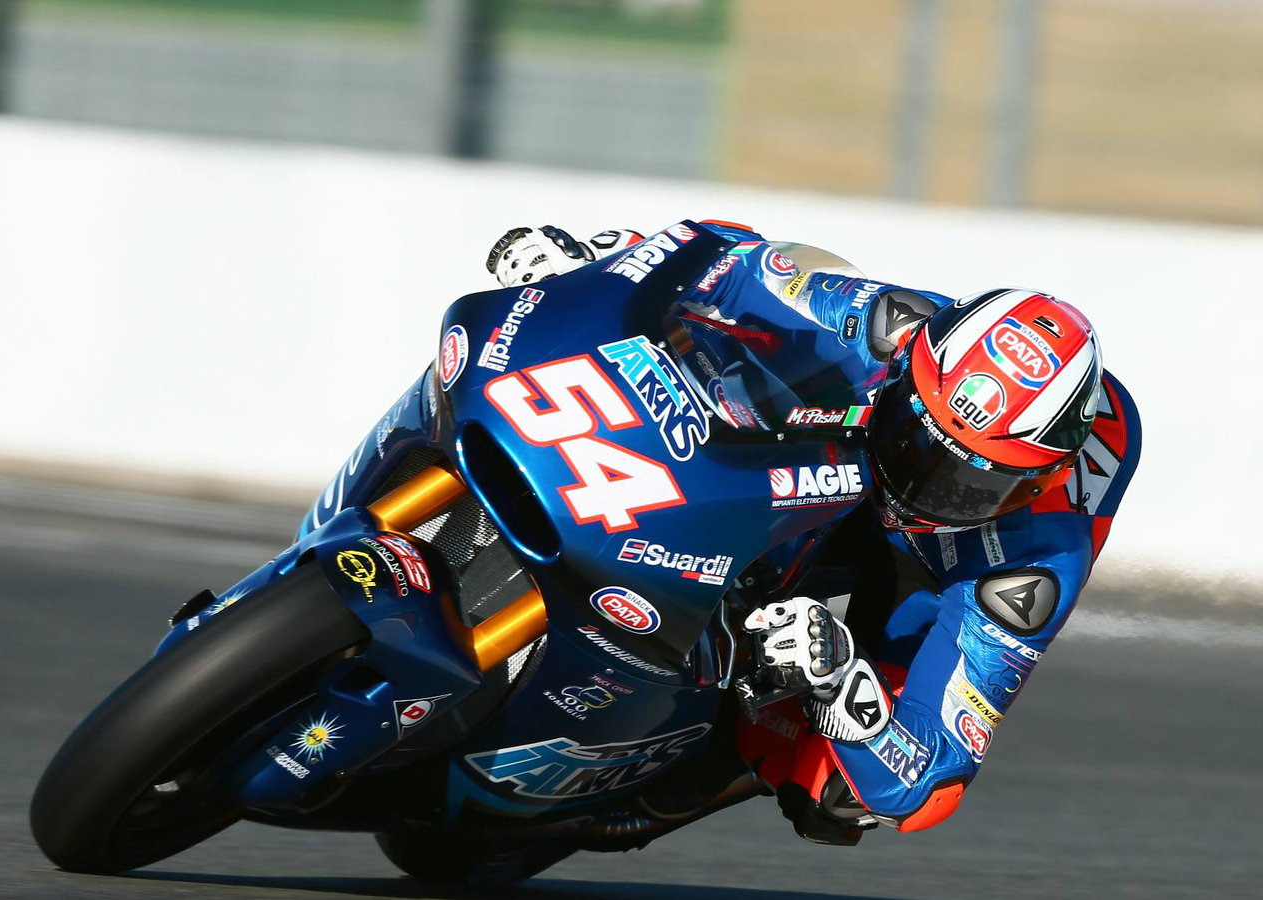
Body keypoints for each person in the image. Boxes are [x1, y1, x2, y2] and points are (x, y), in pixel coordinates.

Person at [483, 221, 1141, 844]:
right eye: (920, 441)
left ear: (1038, 481)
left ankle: (677, 776)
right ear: (913, 367)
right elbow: (733, 261)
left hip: (933, 565)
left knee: (838, 797)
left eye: (971, 482)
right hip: (847, 453)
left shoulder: (1031, 565)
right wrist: (599, 268)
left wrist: (840, 680)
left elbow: (931, 784)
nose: (923, 485)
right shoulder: (891, 325)